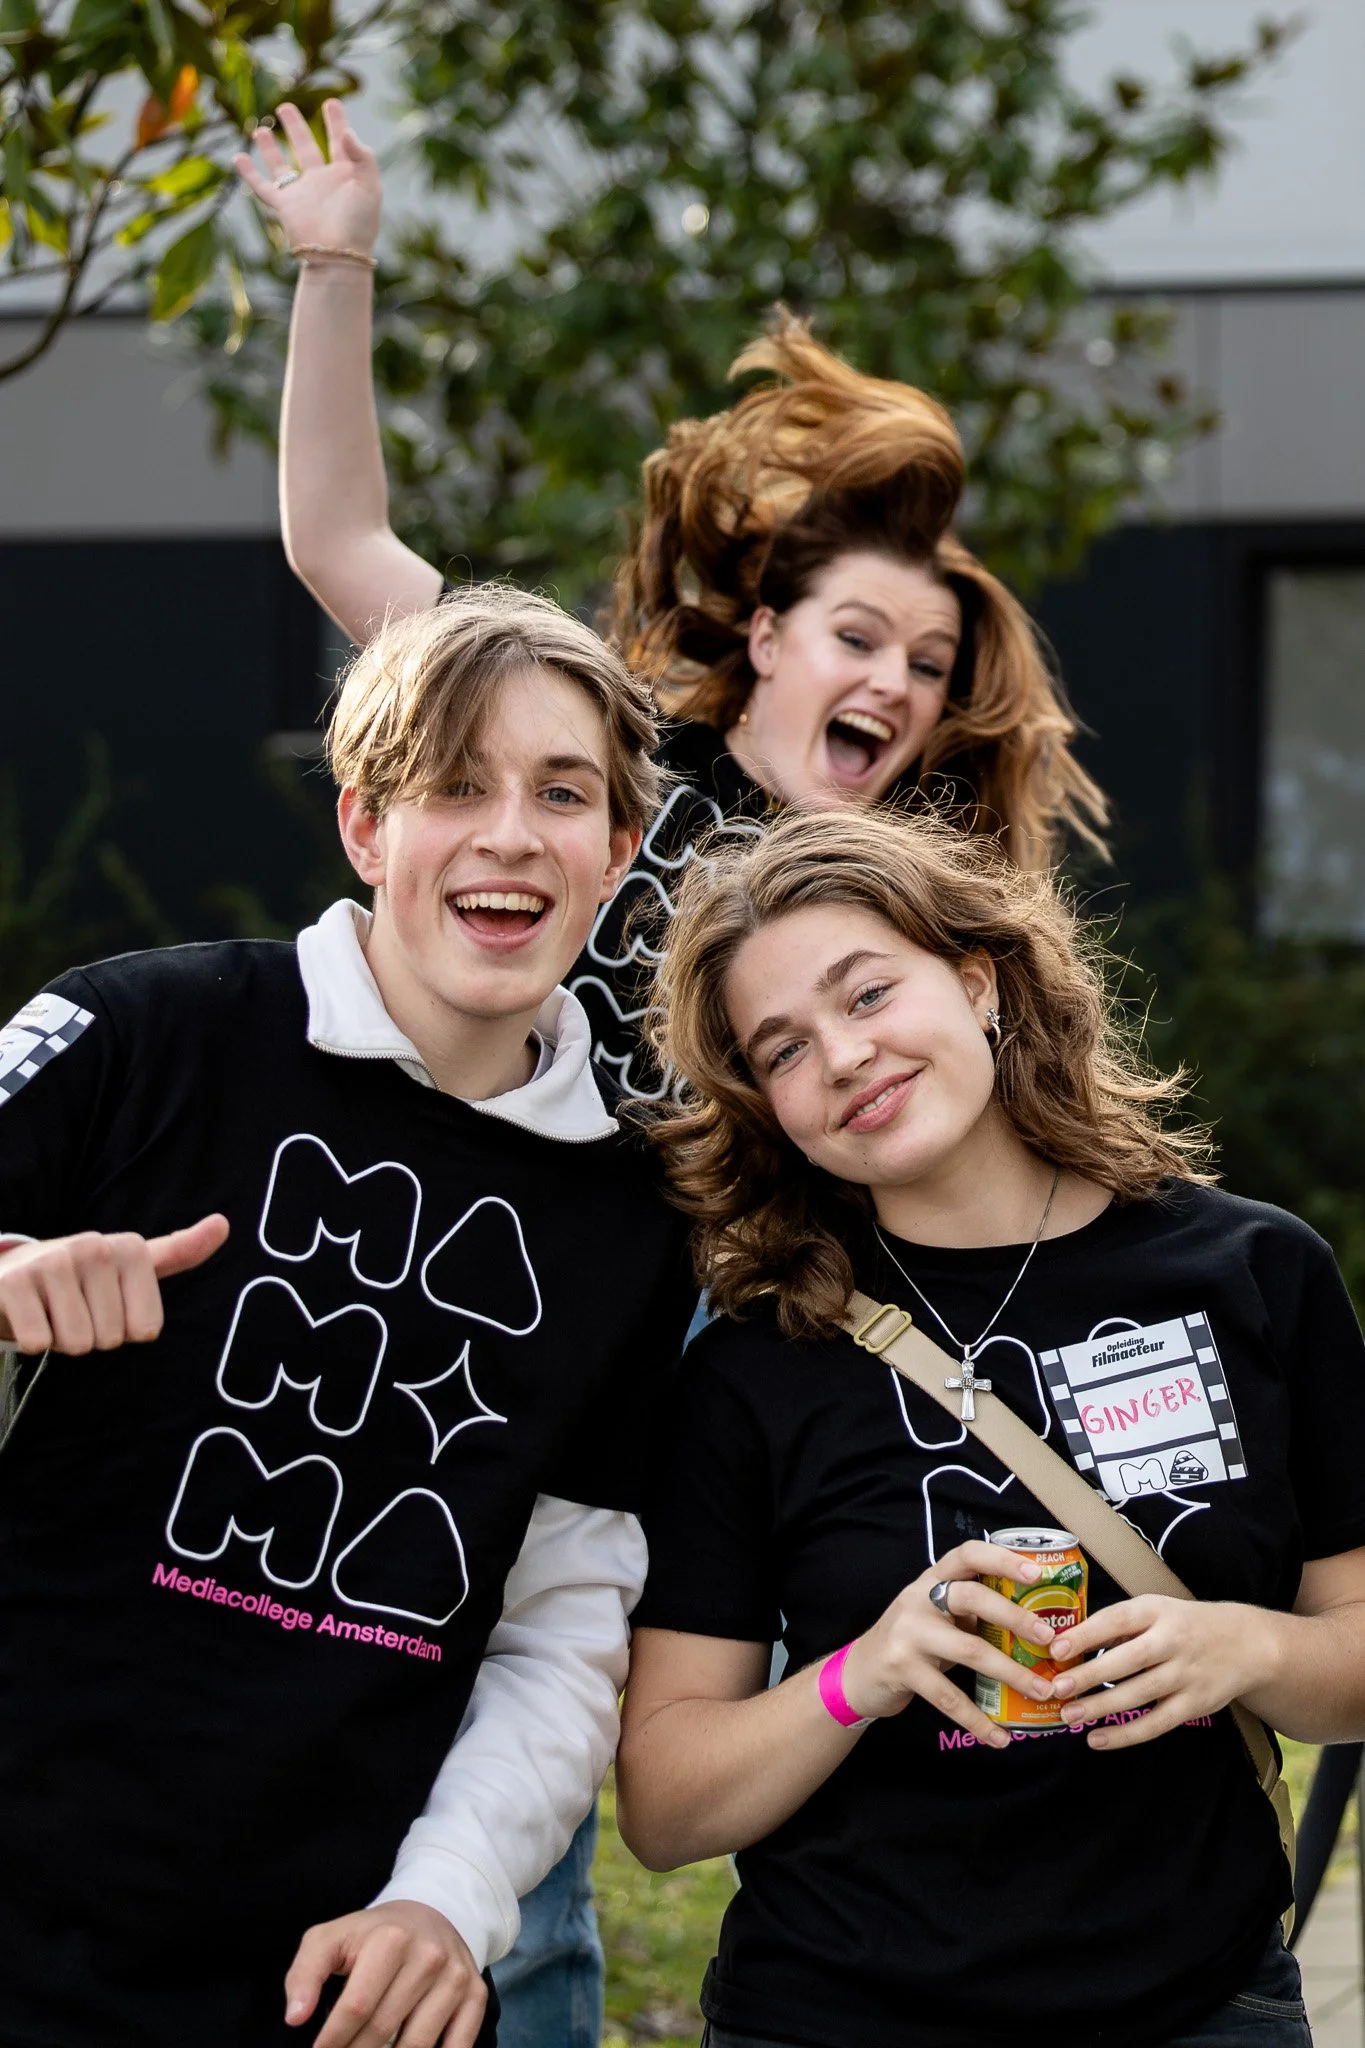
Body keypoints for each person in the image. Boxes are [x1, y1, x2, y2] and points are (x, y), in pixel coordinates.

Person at [0, 586, 695, 2048]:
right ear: (366, 827)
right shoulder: (140, 1033)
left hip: (337, 1982)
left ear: (618, 852)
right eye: (457, 786)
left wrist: (446, 1898)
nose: (511, 834)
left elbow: (561, 1631)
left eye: (561, 793)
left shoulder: (639, 1220)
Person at [616, 804, 1365, 2048]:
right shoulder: (754, 1365)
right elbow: (663, 1804)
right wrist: (863, 1672)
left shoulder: (1254, 1273)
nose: (843, 1055)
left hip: (1199, 2008)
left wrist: (1246, 1647)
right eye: (784, 1047)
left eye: (868, 992)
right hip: (837, 2016)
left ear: (979, 982)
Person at [237, 98, 1108, 1114]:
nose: (891, 681)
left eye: (926, 666)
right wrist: (336, 263)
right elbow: (340, 542)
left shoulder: (902, 910)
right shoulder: (606, 746)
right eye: (858, 638)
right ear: (769, 637)